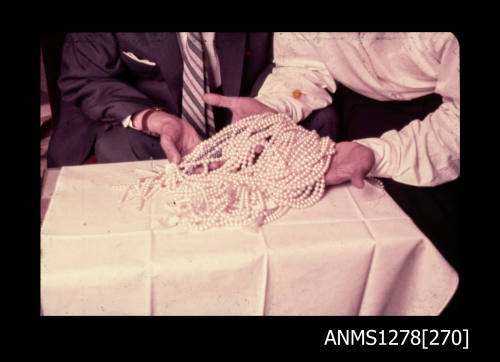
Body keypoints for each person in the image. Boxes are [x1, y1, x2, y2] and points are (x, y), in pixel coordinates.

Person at [203, 32, 461, 313]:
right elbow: (303, 67)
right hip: (363, 106)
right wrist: (274, 107)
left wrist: (379, 154)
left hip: (445, 117)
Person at [47, 32, 339, 167]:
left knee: (320, 122)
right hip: (150, 120)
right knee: (117, 148)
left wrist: (272, 108)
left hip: (239, 110)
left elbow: (298, 63)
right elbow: (84, 77)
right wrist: (152, 118)